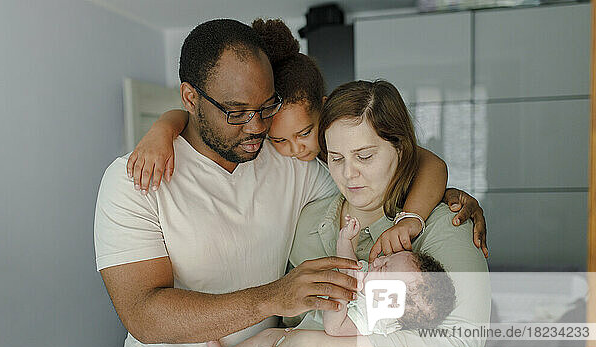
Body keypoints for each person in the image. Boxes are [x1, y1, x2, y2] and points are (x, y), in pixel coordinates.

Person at [94, 19, 477, 347]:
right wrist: (276, 296)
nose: (256, 126)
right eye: (236, 112)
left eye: (266, 107)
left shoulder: (286, 158)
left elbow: (386, 165)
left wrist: (443, 197)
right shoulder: (138, 178)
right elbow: (144, 315)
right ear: (191, 98)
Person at [126, 19, 489, 260]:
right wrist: (162, 129)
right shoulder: (266, 151)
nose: (296, 149)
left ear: (326, 112)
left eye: (304, 133)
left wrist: (422, 211)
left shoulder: (348, 135)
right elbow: (194, 116)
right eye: (279, 140)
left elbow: (426, 162)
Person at [256, 80, 491, 347]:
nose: (349, 174)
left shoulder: (447, 226)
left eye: (364, 156)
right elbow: (289, 328)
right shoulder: (305, 227)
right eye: (336, 158)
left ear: (400, 149)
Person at [193, 217, 456, 347]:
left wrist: (343, 293)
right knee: (267, 339)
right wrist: (346, 240)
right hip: (299, 336)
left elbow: (335, 326)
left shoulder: (374, 321)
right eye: (388, 258)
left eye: (386, 268)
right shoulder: (367, 278)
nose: (379, 261)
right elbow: (347, 266)